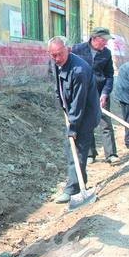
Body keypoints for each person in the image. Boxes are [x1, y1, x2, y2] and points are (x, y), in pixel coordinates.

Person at [49, 36, 101, 205]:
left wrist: (73, 126)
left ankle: (74, 189)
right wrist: (62, 104)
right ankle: (78, 183)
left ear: (69, 50)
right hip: (73, 112)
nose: (56, 59)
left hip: (85, 115)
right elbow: (59, 87)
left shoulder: (79, 70)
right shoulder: (57, 63)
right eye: (53, 55)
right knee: (72, 149)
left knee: (77, 150)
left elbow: (79, 102)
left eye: (59, 55)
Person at [72, 27, 119, 165]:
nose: (106, 43)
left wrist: (105, 93)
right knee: (87, 124)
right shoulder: (78, 50)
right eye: (103, 40)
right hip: (83, 92)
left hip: (100, 92)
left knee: (105, 123)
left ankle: (111, 154)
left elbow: (110, 75)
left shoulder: (106, 54)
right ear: (94, 38)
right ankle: (90, 154)